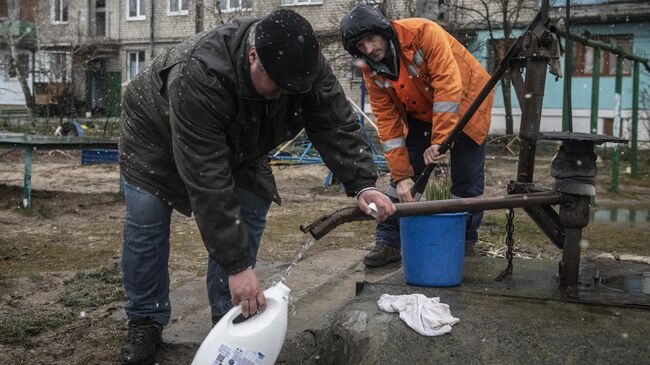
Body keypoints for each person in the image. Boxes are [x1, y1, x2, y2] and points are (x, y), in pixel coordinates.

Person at [118, 8, 395, 365]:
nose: (283, 95)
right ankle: (145, 319)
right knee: (147, 221)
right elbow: (207, 178)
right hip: (153, 132)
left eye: (291, 90)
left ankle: (228, 313)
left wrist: (362, 185)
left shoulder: (303, 67)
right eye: (277, 86)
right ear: (253, 57)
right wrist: (237, 265)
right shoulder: (200, 74)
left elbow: (334, 124)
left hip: (243, 136)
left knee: (252, 205)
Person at [340, 4, 493, 267]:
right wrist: (401, 176)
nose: (368, 49)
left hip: (469, 104)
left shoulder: (423, 32)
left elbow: (448, 85)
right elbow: (388, 125)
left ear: (383, 30)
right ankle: (388, 242)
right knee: (401, 180)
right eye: (360, 46)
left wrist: (439, 142)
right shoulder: (371, 71)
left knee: (466, 182)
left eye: (370, 39)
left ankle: (465, 243)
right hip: (422, 112)